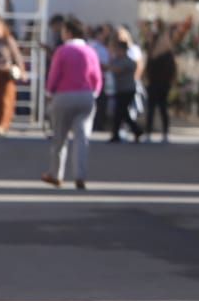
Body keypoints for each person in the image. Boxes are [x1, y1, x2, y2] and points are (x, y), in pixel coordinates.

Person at [44, 17, 103, 189]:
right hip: (86, 96)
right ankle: (80, 175)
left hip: (64, 96)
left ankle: (56, 174)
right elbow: (97, 77)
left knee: (60, 137)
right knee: (82, 138)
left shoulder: (62, 51)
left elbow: (55, 74)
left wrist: (49, 92)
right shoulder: (90, 51)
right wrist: (94, 94)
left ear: (68, 33)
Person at [0, 17, 25, 136]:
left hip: (7, 72)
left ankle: (4, 125)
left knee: (7, 99)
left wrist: (22, 70)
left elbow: (16, 55)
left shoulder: (8, 40)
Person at [143, 20, 181, 143]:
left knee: (160, 108)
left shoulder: (165, 53)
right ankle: (151, 133)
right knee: (154, 109)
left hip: (161, 84)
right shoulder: (154, 51)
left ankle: (162, 133)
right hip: (156, 83)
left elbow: (173, 69)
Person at [106, 35, 143, 144]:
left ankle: (117, 134)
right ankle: (136, 131)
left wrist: (105, 67)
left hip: (127, 90)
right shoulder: (117, 60)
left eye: (117, 49)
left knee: (120, 112)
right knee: (123, 113)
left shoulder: (128, 61)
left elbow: (116, 69)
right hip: (120, 89)